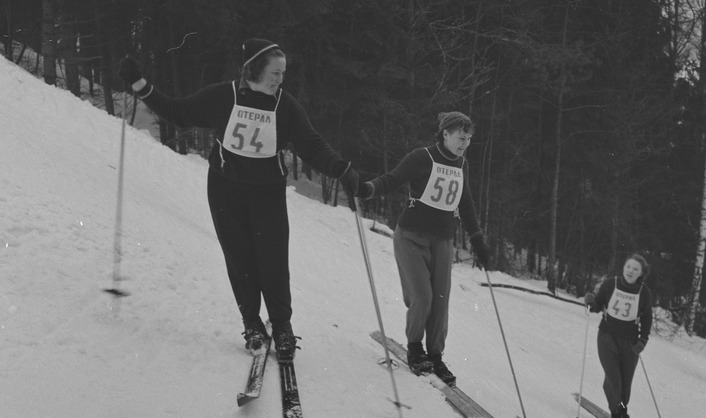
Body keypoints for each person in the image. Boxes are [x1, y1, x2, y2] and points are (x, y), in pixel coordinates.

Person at [118, 38, 360, 362]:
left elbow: (311, 144)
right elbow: (178, 112)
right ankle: (252, 325)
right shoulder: (224, 96)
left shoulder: (284, 106)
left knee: (273, 260)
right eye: (275, 72)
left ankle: (283, 327)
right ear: (256, 69)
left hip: (267, 193)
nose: (280, 79)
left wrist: (341, 169)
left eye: (283, 73)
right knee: (240, 259)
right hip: (224, 189)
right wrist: (139, 84)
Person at [354, 111, 490, 386]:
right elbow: (392, 179)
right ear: (445, 134)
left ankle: (436, 355)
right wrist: (367, 189)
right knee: (423, 296)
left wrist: (477, 239)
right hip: (411, 237)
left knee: (440, 301)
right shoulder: (422, 157)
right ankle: (415, 347)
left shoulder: (462, 164)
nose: (465, 144)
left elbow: (465, 203)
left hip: (443, 240)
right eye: (461, 138)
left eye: (469, 139)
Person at [584, 254, 653, 418]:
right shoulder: (611, 284)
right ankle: (617, 417)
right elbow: (598, 305)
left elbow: (647, 319)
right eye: (628, 267)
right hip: (607, 337)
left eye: (635, 269)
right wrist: (591, 302)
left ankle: (622, 412)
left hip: (630, 343)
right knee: (615, 380)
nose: (630, 271)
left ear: (641, 273)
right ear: (624, 267)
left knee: (625, 383)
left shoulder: (643, 292)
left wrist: (642, 341)